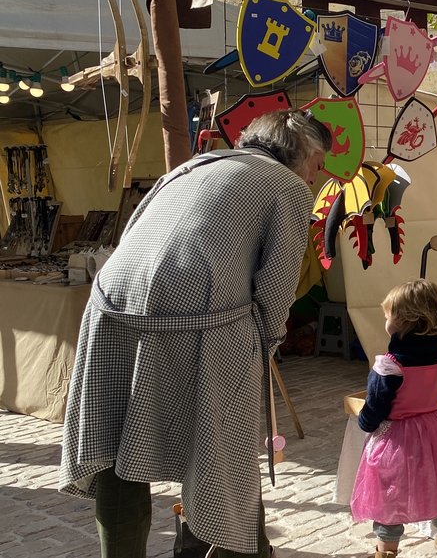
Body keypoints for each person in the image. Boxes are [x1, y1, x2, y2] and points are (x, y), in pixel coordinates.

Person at [58, 110, 333, 558]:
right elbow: (277, 288)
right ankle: (240, 546)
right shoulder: (287, 187)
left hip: (109, 307)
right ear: (300, 154)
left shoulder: (190, 167)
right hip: (201, 318)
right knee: (224, 458)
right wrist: (260, 348)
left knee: (114, 453)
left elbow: (130, 237)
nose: (318, 174)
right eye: (319, 162)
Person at [351, 280, 437, 558]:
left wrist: (364, 424)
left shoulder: (390, 365)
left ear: (403, 323)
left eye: (387, 317)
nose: (385, 322)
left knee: (389, 494)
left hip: (398, 439)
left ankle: (386, 551)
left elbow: (375, 408)